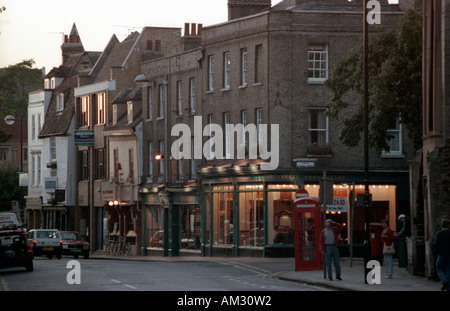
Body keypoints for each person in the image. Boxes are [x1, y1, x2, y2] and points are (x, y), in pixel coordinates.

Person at [435, 218, 450, 291]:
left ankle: (444, 280)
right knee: (448, 269)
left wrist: (436, 252)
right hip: (449, 254)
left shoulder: (439, 233)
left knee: (439, 268)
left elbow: (436, 244)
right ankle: (448, 285)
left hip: (441, 254)